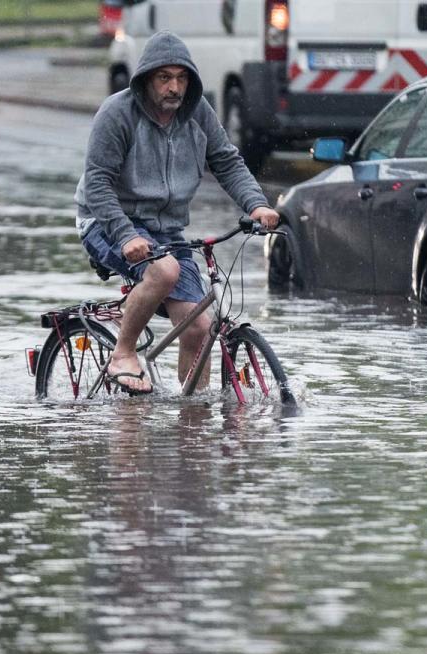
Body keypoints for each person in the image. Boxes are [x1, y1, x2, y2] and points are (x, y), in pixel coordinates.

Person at [74, 31, 279, 395]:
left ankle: (193, 425)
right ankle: (122, 355)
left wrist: (256, 204)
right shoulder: (117, 114)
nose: (174, 88)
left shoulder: (198, 113)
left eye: (182, 78)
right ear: (146, 80)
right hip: (106, 220)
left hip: (165, 230)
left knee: (199, 325)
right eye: (164, 78)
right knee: (163, 269)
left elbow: (227, 162)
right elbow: (97, 184)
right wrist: (126, 236)